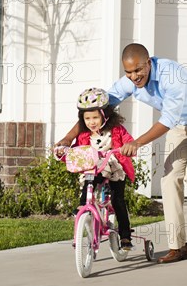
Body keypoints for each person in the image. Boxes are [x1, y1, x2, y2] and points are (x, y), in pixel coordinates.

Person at [57, 44, 187, 264]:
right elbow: (97, 108)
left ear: (148, 63)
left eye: (138, 70)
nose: (134, 76)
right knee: (169, 180)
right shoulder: (128, 81)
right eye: (129, 72)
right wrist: (68, 138)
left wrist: (136, 143)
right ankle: (178, 247)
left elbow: (168, 119)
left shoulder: (170, 75)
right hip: (182, 125)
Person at [58, 88, 135, 250]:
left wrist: (129, 146)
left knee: (118, 200)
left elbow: (128, 140)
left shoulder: (116, 130)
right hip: (94, 170)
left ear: (105, 115)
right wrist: (63, 151)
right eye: (87, 118)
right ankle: (83, 205)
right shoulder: (84, 135)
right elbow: (77, 152)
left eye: (95, 117)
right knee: (89, 178)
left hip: (114, 169)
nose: (91, 122)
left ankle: (126, 236)